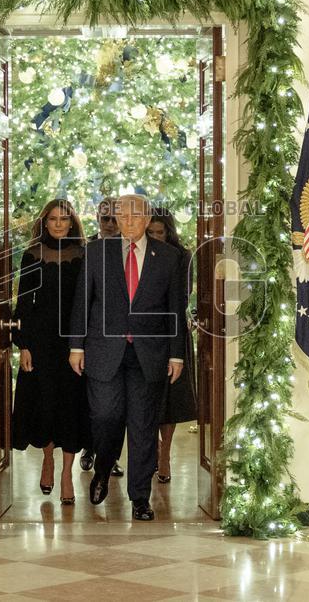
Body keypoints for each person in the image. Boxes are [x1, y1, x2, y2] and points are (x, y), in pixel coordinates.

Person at [69, 194, 185, 520]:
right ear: (115, 219)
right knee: (105, 416)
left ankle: (140, 498)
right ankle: (103, 468)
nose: (128, 221)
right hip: (104, 351)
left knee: (143, 426)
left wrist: (177, 354)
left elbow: (175, 308)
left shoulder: (169, 257)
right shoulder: (96, 252)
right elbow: (83, 302)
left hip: (149, 354)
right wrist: (76, 346)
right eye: (122, 215)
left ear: (148, 219)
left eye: (135, 215)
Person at [10, 199, 89, 505]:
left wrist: (84, 344)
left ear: (72, 223)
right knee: (45, 405)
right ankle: (47, 459)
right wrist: (24, 344)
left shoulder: (84, 255)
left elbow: (90, 302)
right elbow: (23, 304)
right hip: (40, 343)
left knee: (71, 406)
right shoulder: (31, 255)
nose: (58, 224)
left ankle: (68, 474)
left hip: (74, 342)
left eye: (63, 219)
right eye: (53, 219)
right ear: (44, 222)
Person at [147, 208, 197, 483]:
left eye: (160, 232)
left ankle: (165, 453)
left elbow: (182, 294)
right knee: (149, 395)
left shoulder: (182, 256)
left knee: (172, 398)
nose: (156, 237)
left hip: (174, 330)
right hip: (147, 334)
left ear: (169, 231)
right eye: (151, 232)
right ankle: (153, 448)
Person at [78, 196, 124, 478]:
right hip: (91, 339)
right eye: (104, 218)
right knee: (92, 403)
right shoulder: (87, 248)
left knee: (116, 409)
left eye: (113, 219)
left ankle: (110, 458)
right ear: (97, 217)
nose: (109, 224)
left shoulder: (131, 249)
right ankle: (88, 448)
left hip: (120, 341)